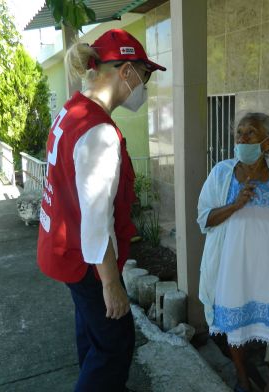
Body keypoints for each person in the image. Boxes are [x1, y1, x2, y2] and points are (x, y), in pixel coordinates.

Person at [36, 29, 166, 392]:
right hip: (87, 261)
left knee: (93, 334)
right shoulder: (99, 132)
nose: (146, 84)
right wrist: (111, 283)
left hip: (69, 254)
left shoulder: (72, 110)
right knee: (115, 345)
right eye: (146, 73)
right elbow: (96, 219)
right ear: (126, 71)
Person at [197, 113, 269, 392]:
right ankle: (243, 380)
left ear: (268, 141)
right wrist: (235, 204)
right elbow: (205, 219)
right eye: (239, 133)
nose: (242, 138)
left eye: (250, 133)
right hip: (234, 267)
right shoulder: (221, 173)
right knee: (234, 326)